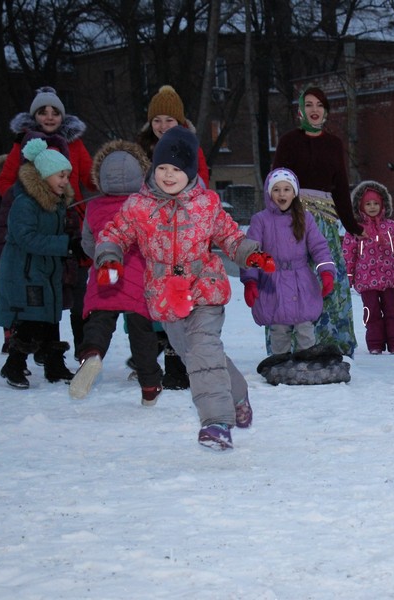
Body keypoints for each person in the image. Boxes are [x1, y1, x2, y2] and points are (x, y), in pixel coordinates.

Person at [95, 126, 276, 451]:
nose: (168, 175)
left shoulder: (206, 204)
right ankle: (237, 395)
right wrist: (109, 257)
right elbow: (115, 233)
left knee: (203, 349)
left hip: (205, 288)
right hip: (166, 298)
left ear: (190, 172)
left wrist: (253, 253)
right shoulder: (139, 206)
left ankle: (217, 423)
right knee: (197, 355)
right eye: (162, 167)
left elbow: (231, 237)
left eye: (176, 169)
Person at [0, 87, 95, 359]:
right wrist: (27, 202)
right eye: (43, 111)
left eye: (55, 112)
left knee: (78, 289)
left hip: (72, 218)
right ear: (34, 115)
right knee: (43, 285)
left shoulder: (74, 143)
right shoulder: (24, 143)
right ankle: (43, 348)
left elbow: (90, 177)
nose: (49, 117)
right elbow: (6, 181)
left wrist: (114, 179)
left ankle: (83, 349)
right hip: (39, 222)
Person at [271, 86, 365, 358]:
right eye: (309, 104)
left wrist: (352, 226)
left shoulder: (334, 144)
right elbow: (276, 180)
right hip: (293, 222)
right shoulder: (289, 141)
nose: (314, 110)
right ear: (300, 110)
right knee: (293, 282)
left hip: (325, 225)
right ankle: (287, 346)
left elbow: (341, 187)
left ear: (325, 111)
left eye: (319, 105)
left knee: (327, 282)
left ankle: (330, 343)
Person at [69, 140, 163, 406]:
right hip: (138, 280)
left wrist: (97, 256)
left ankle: (93, 354)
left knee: (99, 322)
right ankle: (149, 385)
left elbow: (88, 242)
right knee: (141, 332)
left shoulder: (95, 207)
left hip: (106, 273)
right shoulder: (146, 204)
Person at [136, 84, 211, 389]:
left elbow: (202, 182)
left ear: (180, 123)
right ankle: (149, 355)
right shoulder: (140, 149)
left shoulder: (190, 146)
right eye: (157, 120)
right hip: (152, 233)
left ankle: (179, 361)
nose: (163, 126)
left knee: (180, 295)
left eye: (169, 120)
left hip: (184, 231)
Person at [0, 138, 77, 388]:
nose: (65, 181)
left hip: (46, 271)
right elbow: (25, 237)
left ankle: (54, 365)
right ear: (43, 176)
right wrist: (64, 245)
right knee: (31, 320)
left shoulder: (56, 204)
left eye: (67, 176)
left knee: (51, 318)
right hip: (26, 272)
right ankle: (14, 365)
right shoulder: (26, 202)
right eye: (60, 176)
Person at [241, 168, 336, 359]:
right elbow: (251, 252)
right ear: (269, 193)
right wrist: (250, 281)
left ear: (294, 193)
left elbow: (319, 247)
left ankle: (307, 361)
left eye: (287, 189)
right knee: (279, 327)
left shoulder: (305, 218)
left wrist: (326, 272)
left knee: (305, 326)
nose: (282, 194)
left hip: (301, 280)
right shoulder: (261, 220)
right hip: (272, 282)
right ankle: (279, 363)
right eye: (276, 190)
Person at [343, 180, 394, 355]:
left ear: (383, 205)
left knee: (393, 311)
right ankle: (375, 344)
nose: (372, 207)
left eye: (376, 203)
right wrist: (348, 276)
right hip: (366, 280)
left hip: (389, 278)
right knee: (371, 313)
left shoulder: (390, 226)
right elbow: (348, 254)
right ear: (360, 206)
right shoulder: (356, 229)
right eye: (368, 204)